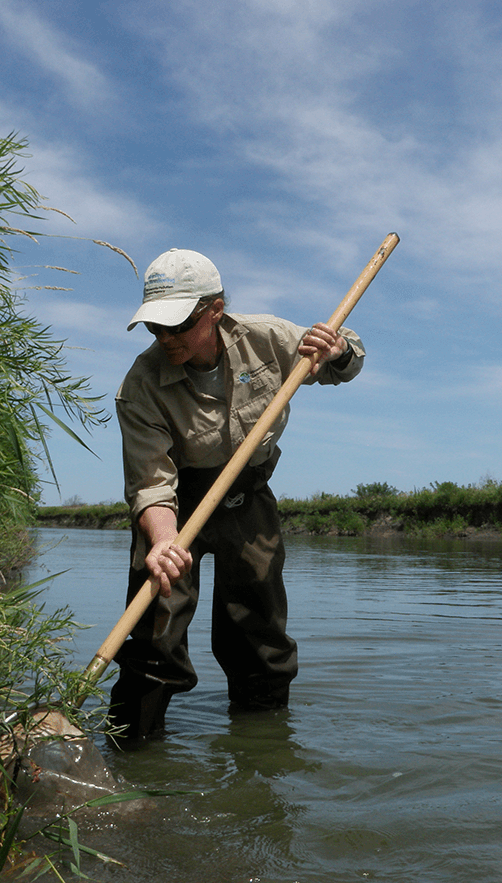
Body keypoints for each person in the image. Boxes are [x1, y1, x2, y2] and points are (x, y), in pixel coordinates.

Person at [109, 247, 365, 741]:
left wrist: (336, 351)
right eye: (154, 327)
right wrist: (163, 542)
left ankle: (262, 753)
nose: (166, 338)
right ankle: (132, 753)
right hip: (177, 509)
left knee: (258, 635)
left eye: (178, 325)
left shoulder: (266, 337)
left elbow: (345, 359)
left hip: (248, 496)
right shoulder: (140, 386)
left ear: (215, 310)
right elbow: (151, 483)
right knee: (152, 634)